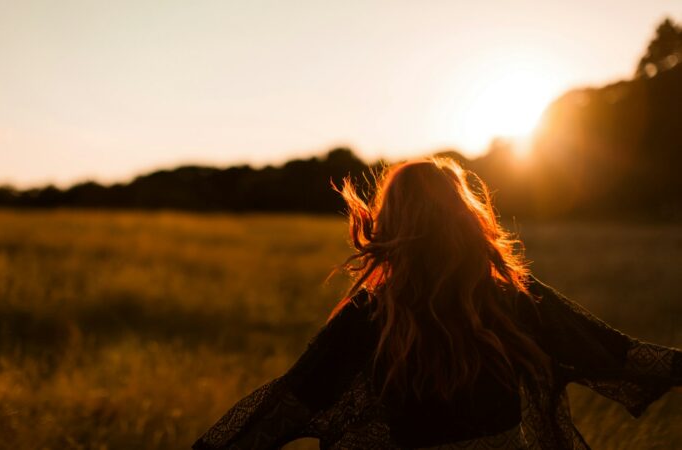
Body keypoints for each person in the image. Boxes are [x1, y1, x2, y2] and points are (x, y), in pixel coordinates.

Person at [192, 157, 681, 450]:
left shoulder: (370, 315)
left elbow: (283, 405)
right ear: (465, 218)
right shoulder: (513, 296)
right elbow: (625, 356)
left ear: (391, 225)